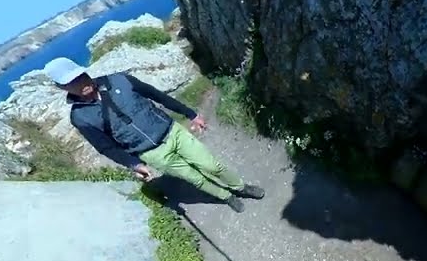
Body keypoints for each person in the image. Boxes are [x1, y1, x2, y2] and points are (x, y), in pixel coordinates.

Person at [41, 57, 264, 212]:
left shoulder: (119, 80)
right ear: (62, 88)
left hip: (172, 132)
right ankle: (226, 197)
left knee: (212, 166)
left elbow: (157, 95)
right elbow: (105, 147)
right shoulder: (80, 117)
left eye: (80, 76)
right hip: (151, 153)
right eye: (71, 82)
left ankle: (240, 187)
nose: (80, 83)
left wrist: (191, 114)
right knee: (195, 178)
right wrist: (134, 164)